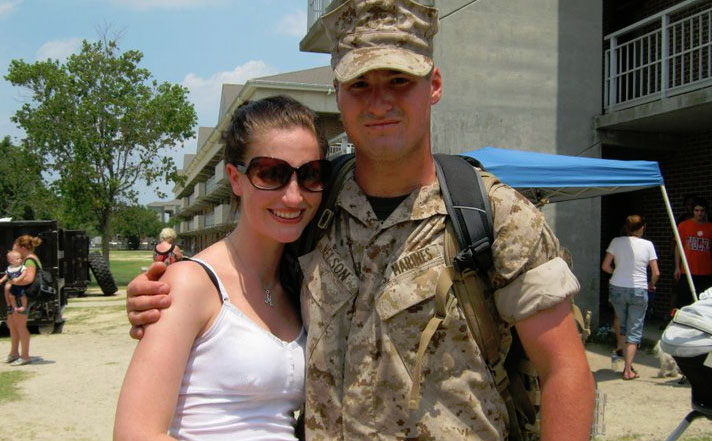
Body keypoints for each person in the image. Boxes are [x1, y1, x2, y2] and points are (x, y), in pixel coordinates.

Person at [125, 1, 595, 440]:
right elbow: (245, 278)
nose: (379, 102)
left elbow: (565, 370)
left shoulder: (492, 214)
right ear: (337, 93)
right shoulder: (314, 203)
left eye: (399, 80)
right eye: (360, 85)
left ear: (433, 85)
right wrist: (169, 293)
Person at [114, 95, 330, 440]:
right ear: (235, 178)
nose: (293, 196)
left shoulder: (298, 285)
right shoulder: (191, 283)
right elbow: (135, 434)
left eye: (310, 174)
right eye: (270, 173)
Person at [601, 215, 660, 380]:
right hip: (638, 289)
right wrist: (651, 284)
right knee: (634, 329)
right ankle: (628, 370)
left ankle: (620, 347)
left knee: (621, 321)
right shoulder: (648, 245)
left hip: (617, 287)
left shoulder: (616, 241)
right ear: (642, 227)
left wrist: (617, 272)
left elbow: (605, 266)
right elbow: (656, 272)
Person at [5, 235, 42, 366]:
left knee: (20, 326)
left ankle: (25, 356)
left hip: (22, 296)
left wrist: (12, 282)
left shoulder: (29, 260)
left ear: (22, 247)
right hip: (18, 296)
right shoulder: (26, 260)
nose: (13, 248)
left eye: (15, 246)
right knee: (12, 324)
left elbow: (28, 279)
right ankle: (14, 353)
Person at [674, 197, 712, 309]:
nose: (699, 213)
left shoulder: (710, 227)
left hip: (705, 271)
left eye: (702, 210)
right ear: (693, 211)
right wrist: (677, 267)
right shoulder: (684, 225)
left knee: (702, 302)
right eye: (697, 210)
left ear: (706, 211)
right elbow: (678, 247)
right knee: (683, 300)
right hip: (687, 270)